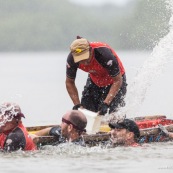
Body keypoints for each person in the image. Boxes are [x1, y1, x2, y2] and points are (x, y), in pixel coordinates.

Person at [66, 36, 127, 115]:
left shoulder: (103, 54)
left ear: (91, 50)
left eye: (85, 58)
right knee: (85, 115)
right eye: (80, 60)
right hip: (95, 80)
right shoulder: (72, 59)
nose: (84, 62)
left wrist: (106, 103)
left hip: (116, 81)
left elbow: (117, 80)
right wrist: (77, 104)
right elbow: (69, 82)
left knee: (115, 117)